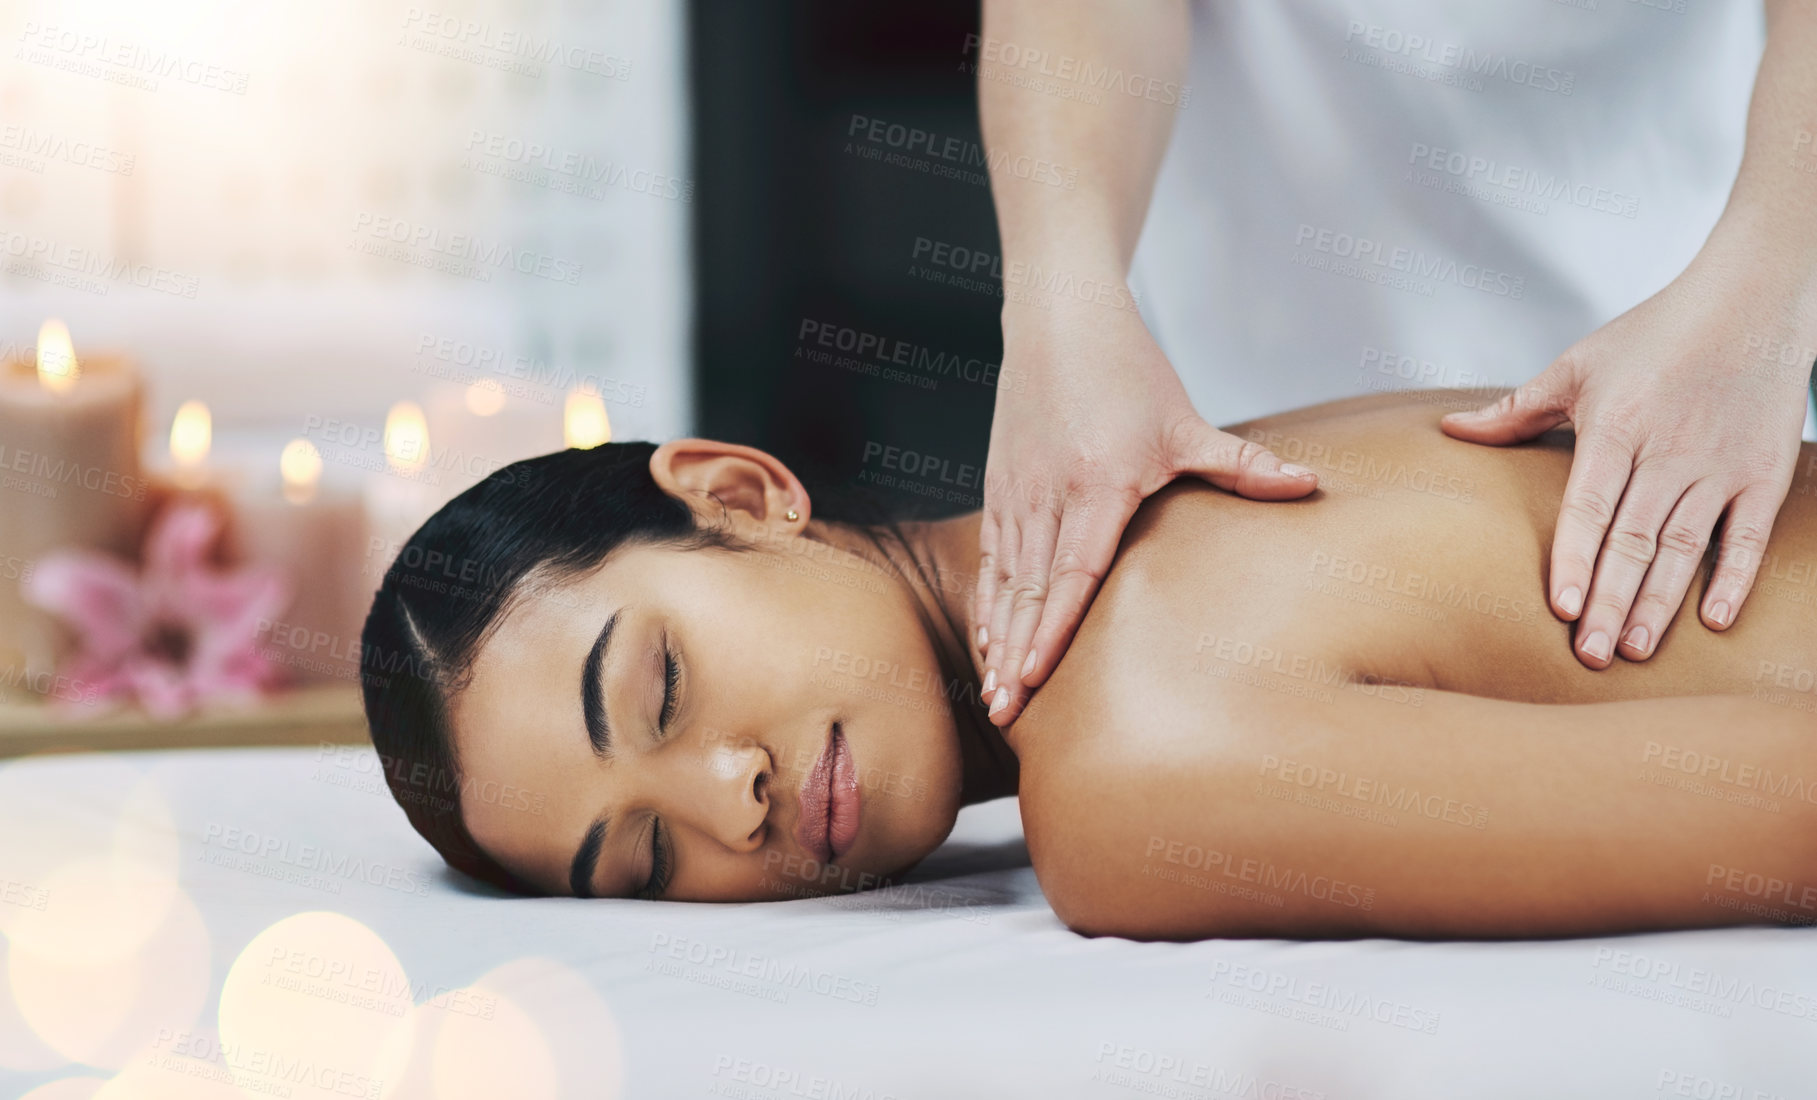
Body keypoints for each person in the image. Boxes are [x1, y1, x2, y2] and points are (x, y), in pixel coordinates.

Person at [359, 388, 1817, 941]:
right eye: (647, 866)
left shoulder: (1122, 782)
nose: (727, 799)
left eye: (659, 691)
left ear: (743, 494)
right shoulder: (1199, 482)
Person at [970, 0, 1817, 728]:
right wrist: (1058, 302)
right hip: (1222, 425)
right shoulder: (1158, 700)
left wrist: (1768, 282)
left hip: (1696, 379)